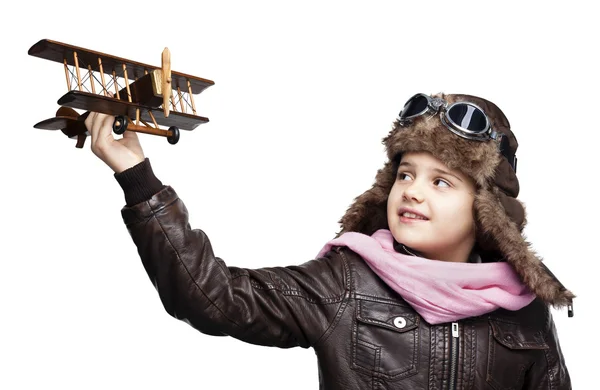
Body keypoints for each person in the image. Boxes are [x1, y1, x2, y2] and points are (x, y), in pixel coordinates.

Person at [84, 92, 573, 389]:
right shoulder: (346, 282)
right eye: (406, 174)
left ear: (485, 211)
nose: (413, 192)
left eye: (440, 182)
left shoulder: (523, 311)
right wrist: (139, 179)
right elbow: (214, 298)